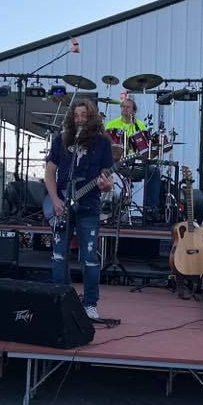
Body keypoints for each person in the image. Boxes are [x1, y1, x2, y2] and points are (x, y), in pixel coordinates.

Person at [44, 99, 113, 320]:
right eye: (76, 116)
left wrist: (106, 185)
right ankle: (60, 300)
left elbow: (107, 179)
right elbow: (49, 173)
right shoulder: (61, 140)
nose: (80, 119)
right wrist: (55, 199)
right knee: (58, 255)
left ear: (91, 117)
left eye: (84, 115)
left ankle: (90, 304)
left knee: (90, 257)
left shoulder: (102, 143)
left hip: (89, 204)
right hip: (62, 203)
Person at [105, 96, 160, 213]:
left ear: (134, 111)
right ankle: (109, 208)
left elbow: (145, 148)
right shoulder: (111, 124)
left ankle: (150, 209)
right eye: (123, 107)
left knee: (154, 170)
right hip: (117, 165)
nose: (125, 109)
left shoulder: (140, 126)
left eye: (128, 107)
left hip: (135, 163)